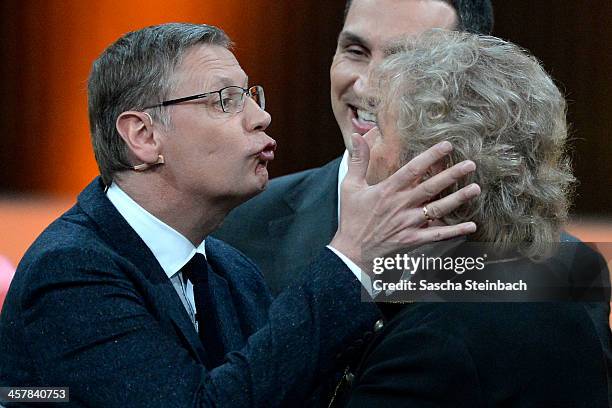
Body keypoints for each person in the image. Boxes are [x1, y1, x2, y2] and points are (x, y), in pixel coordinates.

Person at [0, 23, 481, 407]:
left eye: (251, 96)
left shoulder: (232, 269)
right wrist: (351, 255)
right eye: (226, 101)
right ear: (144, 136)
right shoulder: (72, 272)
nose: (260, 117)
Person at [336, 30, 610, 407]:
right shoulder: (554, 292)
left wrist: (347, 251)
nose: (363, 144)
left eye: (379, 127)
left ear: (434, 170)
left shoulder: (436, 343)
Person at [214, 0, 495, 295]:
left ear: (471, 79)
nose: (365, 87)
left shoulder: (522, 227)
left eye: (407, 62)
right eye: (356, 51)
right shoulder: (238, 224)